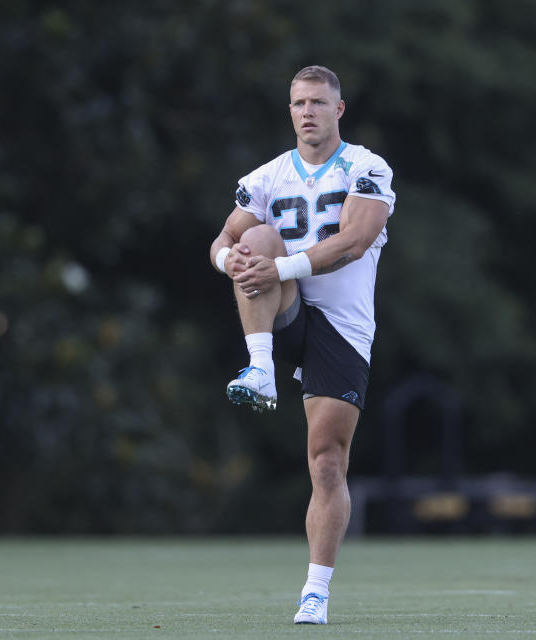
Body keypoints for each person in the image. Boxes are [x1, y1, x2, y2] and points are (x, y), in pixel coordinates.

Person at [208, 65, 396, 625]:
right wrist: (233, 262)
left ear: (339, 109)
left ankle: (316, 588)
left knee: (327, 462)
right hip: (283, 311)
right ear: (288, 110)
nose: (307, 111)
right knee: (253, 235)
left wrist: (275, 265)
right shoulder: (266, 177)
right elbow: (221, 239)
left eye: (318, 102)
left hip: (341, 325)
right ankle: (259, 366)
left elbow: (355, 241)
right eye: (298, 103)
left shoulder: (367, 167)